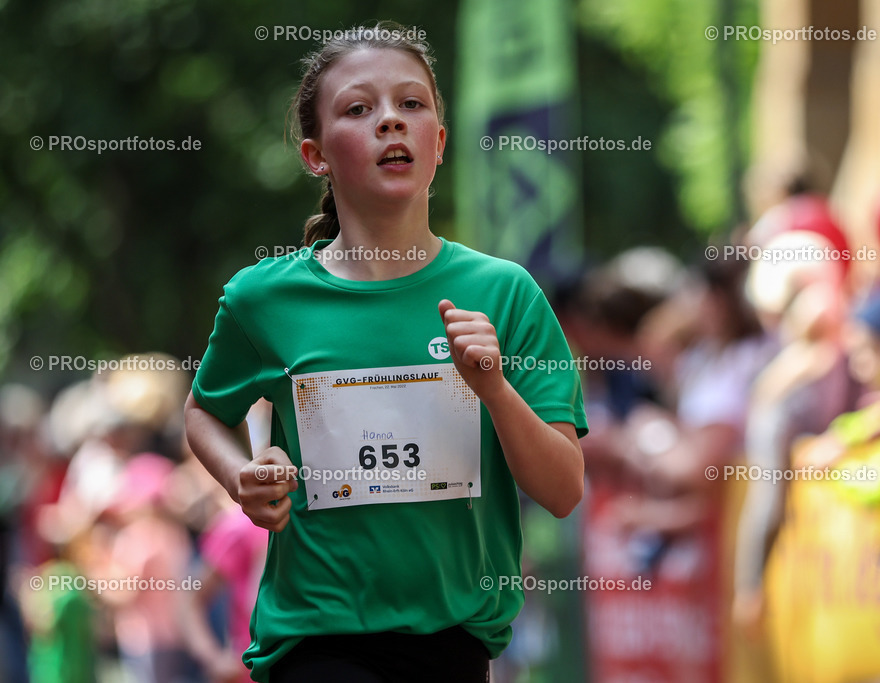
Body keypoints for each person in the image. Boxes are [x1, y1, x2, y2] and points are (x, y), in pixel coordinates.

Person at [183, 22, 587, 683]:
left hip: (456, 643)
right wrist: (242, 479)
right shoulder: (262, 298)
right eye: (359, 109)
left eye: (411, 104)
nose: (391, 123)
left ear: (440, 142)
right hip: (317, 638)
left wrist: (494, 389)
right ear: (316, 154)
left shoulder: (505, 293)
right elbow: (203, 412)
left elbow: (563, 488)